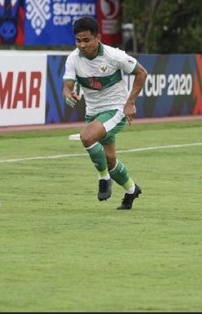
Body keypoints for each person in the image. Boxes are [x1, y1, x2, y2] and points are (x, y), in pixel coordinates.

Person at [62, 16, 147, 210]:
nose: (81, 45)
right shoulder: (73, 59)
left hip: (116, 109)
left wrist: (130, 102)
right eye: (78, 41)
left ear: (97, 38)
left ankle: (103, 179)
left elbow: (141, 72)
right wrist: (68, 93)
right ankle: (131, 190)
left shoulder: (114, 56)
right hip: (93, 113)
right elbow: (67, 86)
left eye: (86, 40)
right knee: (109, 160)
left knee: (86, 136)